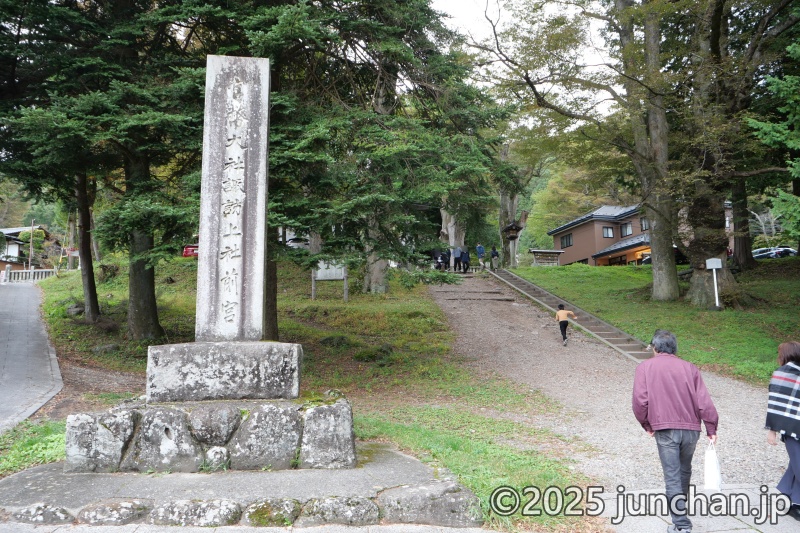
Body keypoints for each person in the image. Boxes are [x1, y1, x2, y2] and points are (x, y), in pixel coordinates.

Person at [632, 329, 719, 533]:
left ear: (655, 348)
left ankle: (681, 524)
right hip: (691, 430)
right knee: (684, 471)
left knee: (672, 474)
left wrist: (646, 424)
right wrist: (711, 427)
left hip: (665, 428)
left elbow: (640, 401)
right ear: (675, 348)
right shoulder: (690, 368)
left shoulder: (645, 367)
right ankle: (681, 513)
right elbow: (703, 401)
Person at [765, 341, 800, 521]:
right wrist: (773, 429)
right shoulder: (782, 374)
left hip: (793, 427)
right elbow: (776, 404)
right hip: (794, 429)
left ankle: (788, 499)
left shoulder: (781, 373)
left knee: (796, 464)